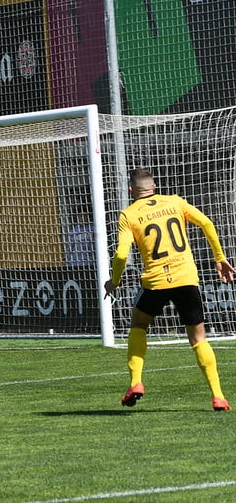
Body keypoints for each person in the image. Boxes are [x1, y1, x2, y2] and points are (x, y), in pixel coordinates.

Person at [104, 168, 234, 411]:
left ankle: (135, 383)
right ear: (154, 187)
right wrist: (219, 257)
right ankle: (218, 396)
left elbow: (121, 253)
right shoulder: (175, 202)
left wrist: (115, 280)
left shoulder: (128, 214)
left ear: (131, 190)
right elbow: (206, 222)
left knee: (139, 324)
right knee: (198, 339)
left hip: (155, 282)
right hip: (186, 278)